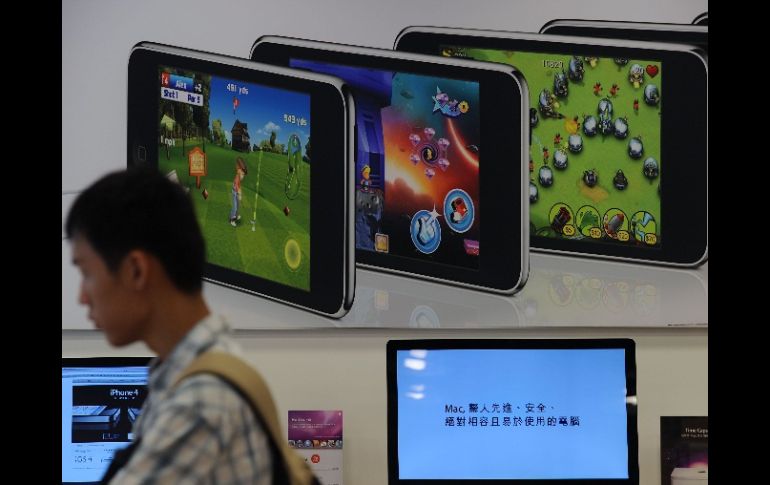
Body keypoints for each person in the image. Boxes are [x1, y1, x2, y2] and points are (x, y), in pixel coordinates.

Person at [65, 168, 272, 484]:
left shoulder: (199, 403)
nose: (81, 297)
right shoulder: (202, 370)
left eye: (87, 274)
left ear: (136, 271)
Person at [230, 157, 248, 226]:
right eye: (243, 174)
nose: (243, 176)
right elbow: (236, 186)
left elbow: (239, 185)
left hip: (236, 190)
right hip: (234, 191)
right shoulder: (238, 176)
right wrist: (239, 194)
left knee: (237, 205)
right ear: (240, 171)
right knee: (235, 207)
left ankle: (236, 215)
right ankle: (232, 220)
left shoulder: (239, 172)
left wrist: (240, 192)